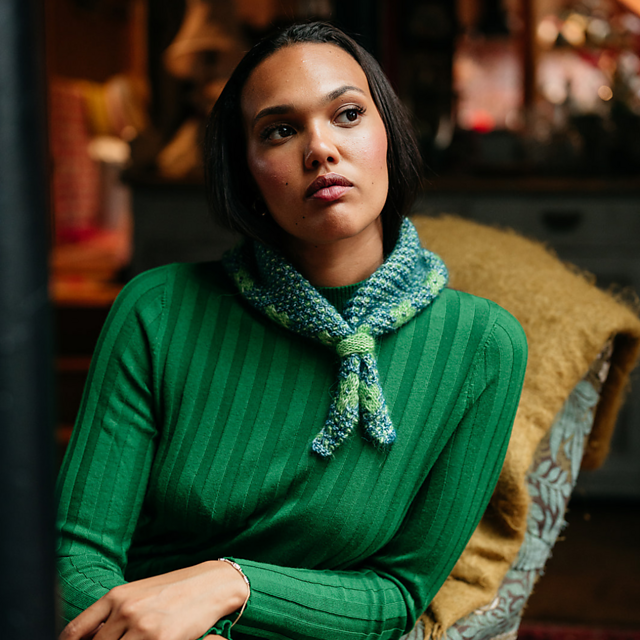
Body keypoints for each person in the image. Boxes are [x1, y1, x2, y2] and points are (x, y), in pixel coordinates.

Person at [56, 21, 528, 640]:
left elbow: (398, 591)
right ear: (246, 173)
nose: (321, 149)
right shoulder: (158, 309)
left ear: (389, 135)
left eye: (348, 115)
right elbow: (74, 557)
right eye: (279, 130)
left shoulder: (484, 346)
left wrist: (228, 584)